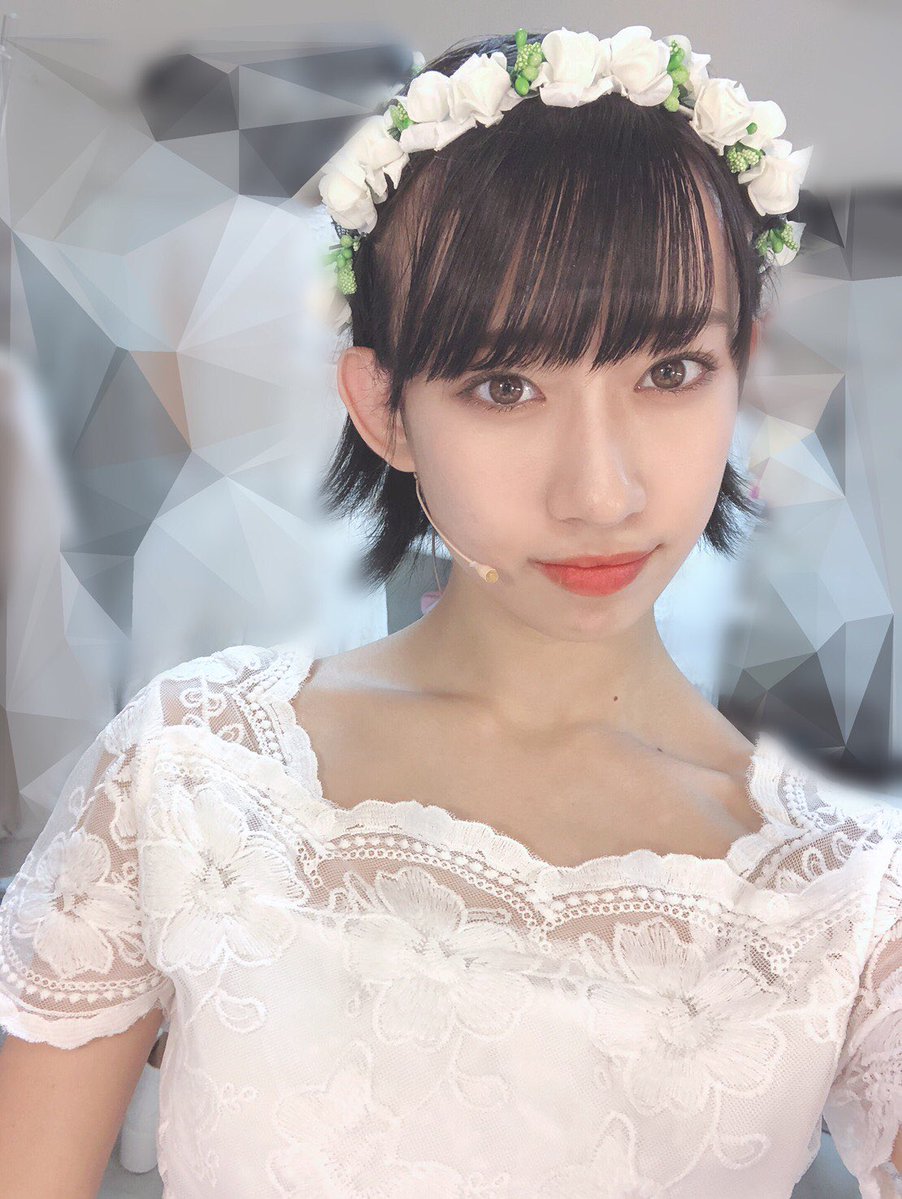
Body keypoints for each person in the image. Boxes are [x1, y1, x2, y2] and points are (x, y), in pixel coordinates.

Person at [0, 25, 900, 1199]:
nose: (599, 493)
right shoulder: (192, 766)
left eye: (669, 371)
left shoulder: (845, 902)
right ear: (383, 409)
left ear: (744, 370)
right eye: (503, 385)